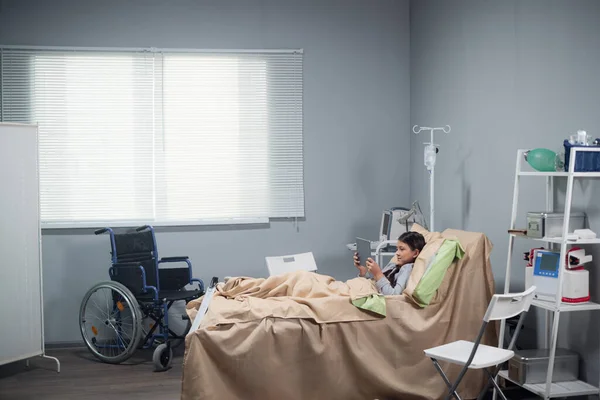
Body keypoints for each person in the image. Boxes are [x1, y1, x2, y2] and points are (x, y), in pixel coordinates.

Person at [354, 231, 426, 295]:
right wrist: (363, 272)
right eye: (397, 249)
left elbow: (394, 295)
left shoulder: (407, 269)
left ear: (415, 253)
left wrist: (378, 274)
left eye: (402, 249)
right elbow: (374, 284)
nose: (397, 253)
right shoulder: (393, 265)